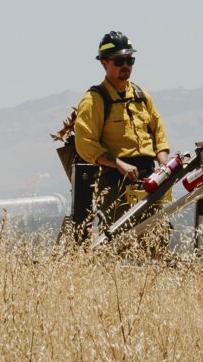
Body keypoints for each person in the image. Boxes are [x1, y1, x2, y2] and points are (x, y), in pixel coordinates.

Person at [66, 30, 171, 240]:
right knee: (121, 240)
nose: (126, 65)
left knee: (157, 237)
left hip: (149, 178)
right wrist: (119, 164)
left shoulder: (142, 96)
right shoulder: (94, 100)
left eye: (129, 60)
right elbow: (86, 144)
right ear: (104, 63)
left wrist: (163, 164)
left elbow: (158, 132)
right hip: (115, 181)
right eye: (119, 60)